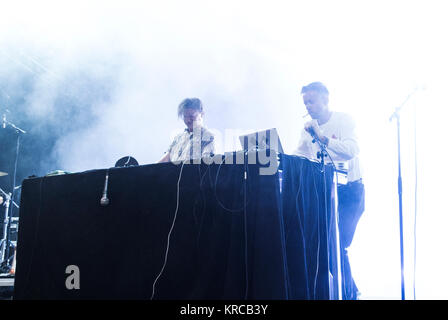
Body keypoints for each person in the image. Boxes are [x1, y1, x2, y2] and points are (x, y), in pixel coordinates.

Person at [293, 81, 365, 300]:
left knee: (338, 244)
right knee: (324, 245)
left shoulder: (343, 120)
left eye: (312, 101)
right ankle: (339, 293)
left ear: (325, 100)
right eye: (305, 102)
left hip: (350, 191)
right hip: (325, 192)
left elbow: (352, 150)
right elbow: (300, 154)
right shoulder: (308, 129)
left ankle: (352, 294)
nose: (308, 106)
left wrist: (322, 138)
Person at [158, 98, 215, 163]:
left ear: (201, 114)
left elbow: (206, 164)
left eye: (192, 116)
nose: (188, 120)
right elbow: (165, 159)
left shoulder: (208, 137)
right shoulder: (178, 138)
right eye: (185, 116)